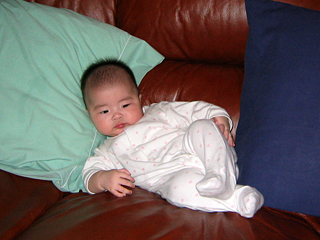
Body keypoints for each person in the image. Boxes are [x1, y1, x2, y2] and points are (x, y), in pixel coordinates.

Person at [81, 59, 264, 218]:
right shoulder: (107, 151)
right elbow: (89, 175)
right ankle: (238, 199)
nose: (117, 115)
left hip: (204, 153)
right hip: (173, 176)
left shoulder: (158, 111)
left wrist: (221, 119)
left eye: (125, 105)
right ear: (90, 114)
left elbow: (195, 110)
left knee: (202, 126)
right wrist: (104, 178)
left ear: (139, 99)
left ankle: (221, 176)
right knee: (176, 191)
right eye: (105, 111)